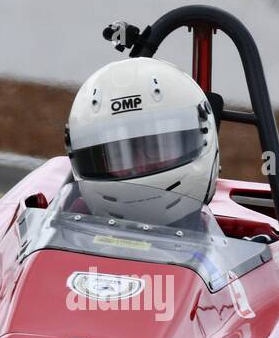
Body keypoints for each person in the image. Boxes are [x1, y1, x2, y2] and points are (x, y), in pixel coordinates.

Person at [63, 57, 220, 230]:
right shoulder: (57, 231)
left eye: (156, 148)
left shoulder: (245, 251)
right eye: (118, 155)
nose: (140, 169)